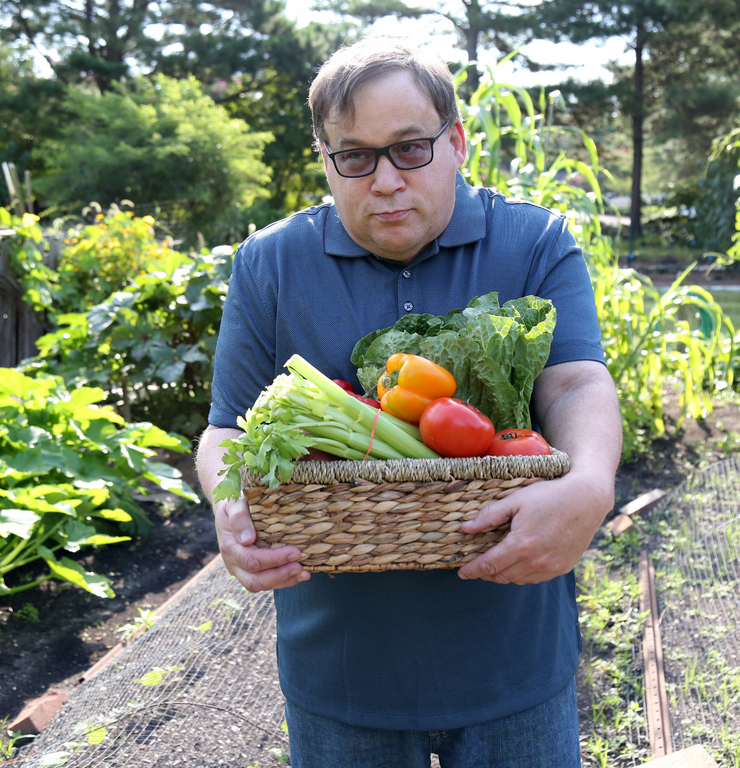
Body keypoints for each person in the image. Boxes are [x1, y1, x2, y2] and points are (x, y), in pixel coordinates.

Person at [196, 36, 622, 768]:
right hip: (339, 670)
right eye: (354, 156)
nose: (386, 181)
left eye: (411, 149)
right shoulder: (269, 262)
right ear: (325, 160)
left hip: (513, 658)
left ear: (456, 142)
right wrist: (227, 507)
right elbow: (227, 428)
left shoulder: (535, 241)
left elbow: (576, 381)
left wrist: (590, 483)